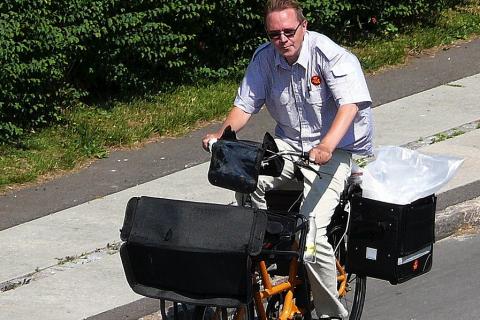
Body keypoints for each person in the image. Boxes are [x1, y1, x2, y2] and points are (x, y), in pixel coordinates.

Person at [202, 0, 373, 318]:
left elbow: (349, 106)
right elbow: (245, 106)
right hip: (289, 145)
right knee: (245, 174)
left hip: (335, 152)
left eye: (288, 31)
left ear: (303, 27)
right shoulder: (265, 58)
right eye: (274, 33)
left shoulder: (330, 56)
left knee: (311, 235)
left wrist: (326, 145)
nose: (282, 39)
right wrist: (221, 134)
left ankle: (331, 313)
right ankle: (261, 245)